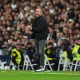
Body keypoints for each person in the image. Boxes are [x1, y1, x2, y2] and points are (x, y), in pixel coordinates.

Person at [28, 7, 49, 71]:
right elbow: (35, 30)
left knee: (41, 52)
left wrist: (31, 28)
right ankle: (38, 66)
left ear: (41, 12)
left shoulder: (43, 19)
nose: (36, 12)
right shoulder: (35, 20)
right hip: (37, 38)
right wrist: (32, 37)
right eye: (36, 11)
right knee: (37, 53)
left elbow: (39, 29)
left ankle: (42, 66)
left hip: (42, 38)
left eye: (38, 11)